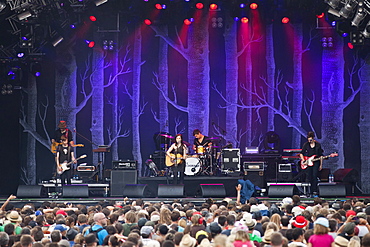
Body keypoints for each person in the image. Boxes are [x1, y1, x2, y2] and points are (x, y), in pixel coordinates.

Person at [299, 131, 323, 196]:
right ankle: (308, 191)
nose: (309, 140)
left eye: (311, 138)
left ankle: (314, 190)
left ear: (313, 138)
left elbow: (320, 155)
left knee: (314, 176)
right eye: (308, 138)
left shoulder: (318, 145)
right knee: (308, 176)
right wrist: (304, 160)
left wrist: (321, 164)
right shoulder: (306, 145)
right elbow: (301, 153)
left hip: (316, 162)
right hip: (308, 162)